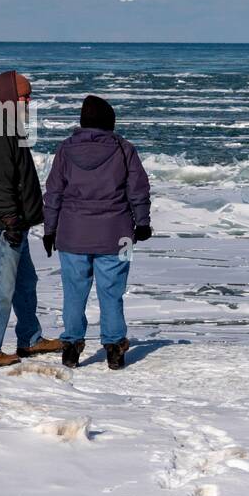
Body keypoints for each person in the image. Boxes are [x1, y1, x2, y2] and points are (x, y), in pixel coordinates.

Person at [42, 95, 152, 370]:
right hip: (118, 234)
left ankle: (71, 346)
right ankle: (114, 347)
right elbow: (138, 189)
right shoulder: (124, 149)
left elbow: (54, 192)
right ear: (109, 122)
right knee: (112, 292)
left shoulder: (65, 150)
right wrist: (142, 222)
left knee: (74, 293)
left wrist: (49, 229)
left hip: (71, 234)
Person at [0, 70, 63, 367]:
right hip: (4, 223)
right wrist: (10, 217)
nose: (28, 101)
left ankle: (30, 339)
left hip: (14, 220)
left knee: (25, 282)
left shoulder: (6, 123)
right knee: (0, 285)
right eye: (24, 96)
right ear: (8, 97)